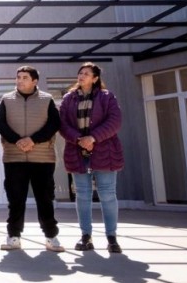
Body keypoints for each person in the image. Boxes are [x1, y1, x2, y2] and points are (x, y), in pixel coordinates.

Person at [0, 65, 65, 253]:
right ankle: (14, 237)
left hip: (42, 158)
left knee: (45, 198)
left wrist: (33, 140)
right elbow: (0, 123)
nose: (20, 80)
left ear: (35, 81)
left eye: (25, 77)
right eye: (18, 77)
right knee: (15, 199)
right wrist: (17, 140)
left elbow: (54, 124)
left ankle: (51, 236)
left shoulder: (47, 99)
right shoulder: (6, 99)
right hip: (14, 157)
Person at [60, 62, 124, 253]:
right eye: (80, 73)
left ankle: (112, 238)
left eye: (86, 74)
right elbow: (62, 123)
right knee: (82, 195)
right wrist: (79, 139)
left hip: (104, 151)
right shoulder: (69, 98)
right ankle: (86, 236)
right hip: (77, 151)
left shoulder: (107, 96)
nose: (81, 76)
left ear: (95, 78)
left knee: (107, 194)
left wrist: (93, 138)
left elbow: (115, 121)